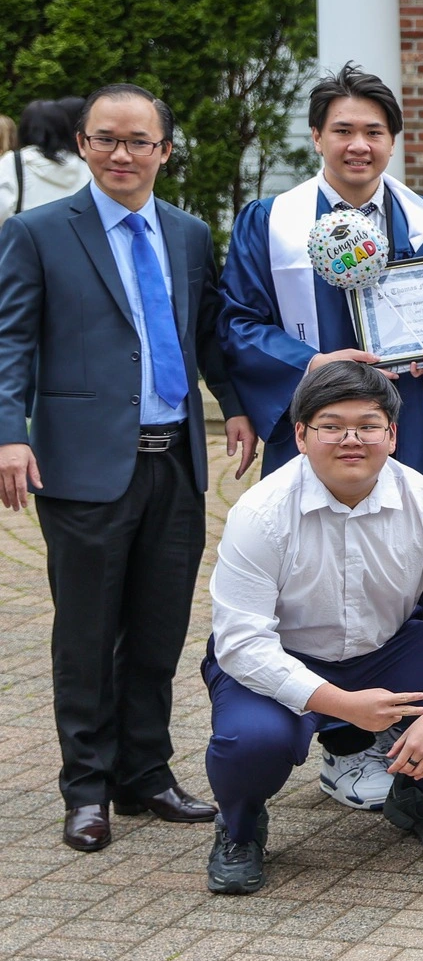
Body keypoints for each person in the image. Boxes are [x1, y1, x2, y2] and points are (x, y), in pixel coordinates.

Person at [0, 83, 256, 853]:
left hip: (175, 460)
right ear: (83, 145)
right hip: (80, 465)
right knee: (85, 632)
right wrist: (10, 431)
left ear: (164, 151)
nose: (121, 152)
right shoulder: (38, 232)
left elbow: (206, 332)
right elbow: (10, 339)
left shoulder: (185, 233)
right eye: (105, 138)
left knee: (157, 629)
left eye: (137, 140)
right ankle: (86, 788)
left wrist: (235, 401)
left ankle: (145, 773)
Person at [201, 362, 423, 893]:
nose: (351, 439)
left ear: (392, 435)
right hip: (284, 655)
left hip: (386, 649)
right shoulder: (260, 513)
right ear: (301, 436)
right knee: (253, 739)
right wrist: (341, 704)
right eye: (331, 425)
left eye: (369, 425)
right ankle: (239, 828)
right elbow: (242, 643)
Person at [220, 63, 423, 477]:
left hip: (407, 414)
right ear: (316, 137)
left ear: (392, 142)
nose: (359, 145)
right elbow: (239, 322)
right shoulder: (270, 222)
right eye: (343, 131)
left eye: (374, 132)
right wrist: (311, 364)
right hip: (313, 411)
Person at [3, 97, 91, 222]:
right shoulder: (84, 167)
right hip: (73, 238)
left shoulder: (12, 162)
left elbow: (3, 209)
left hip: (26, 237)